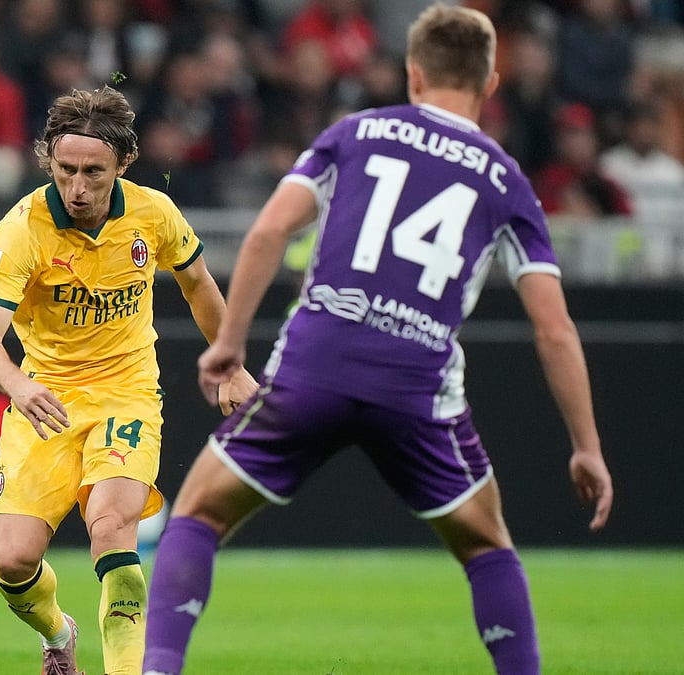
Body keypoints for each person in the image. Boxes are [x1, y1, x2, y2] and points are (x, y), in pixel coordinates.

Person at [141, 6, 614, 675]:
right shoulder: (507, 179)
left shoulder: (355, 132)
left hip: (315, 367)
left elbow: (271, 230)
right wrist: (587, 447)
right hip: (416, 386)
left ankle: (158, 667)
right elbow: (554, 327)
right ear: (490, 82)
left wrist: (231, 344)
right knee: (486, 546)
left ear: (413, 72)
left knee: (197, 513)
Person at [0, 85, 257, 675]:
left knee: (112, 530)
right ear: (48, 158)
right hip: (43, 398)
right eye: (66, 169)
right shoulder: (21, 228)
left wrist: (231, 364)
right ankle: (57, 632)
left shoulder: (154, 214)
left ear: (123, 164)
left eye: (93, 172)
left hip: (127, 392)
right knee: (14, 562)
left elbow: (198, 282)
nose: (77, 187)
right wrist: (18, 386)